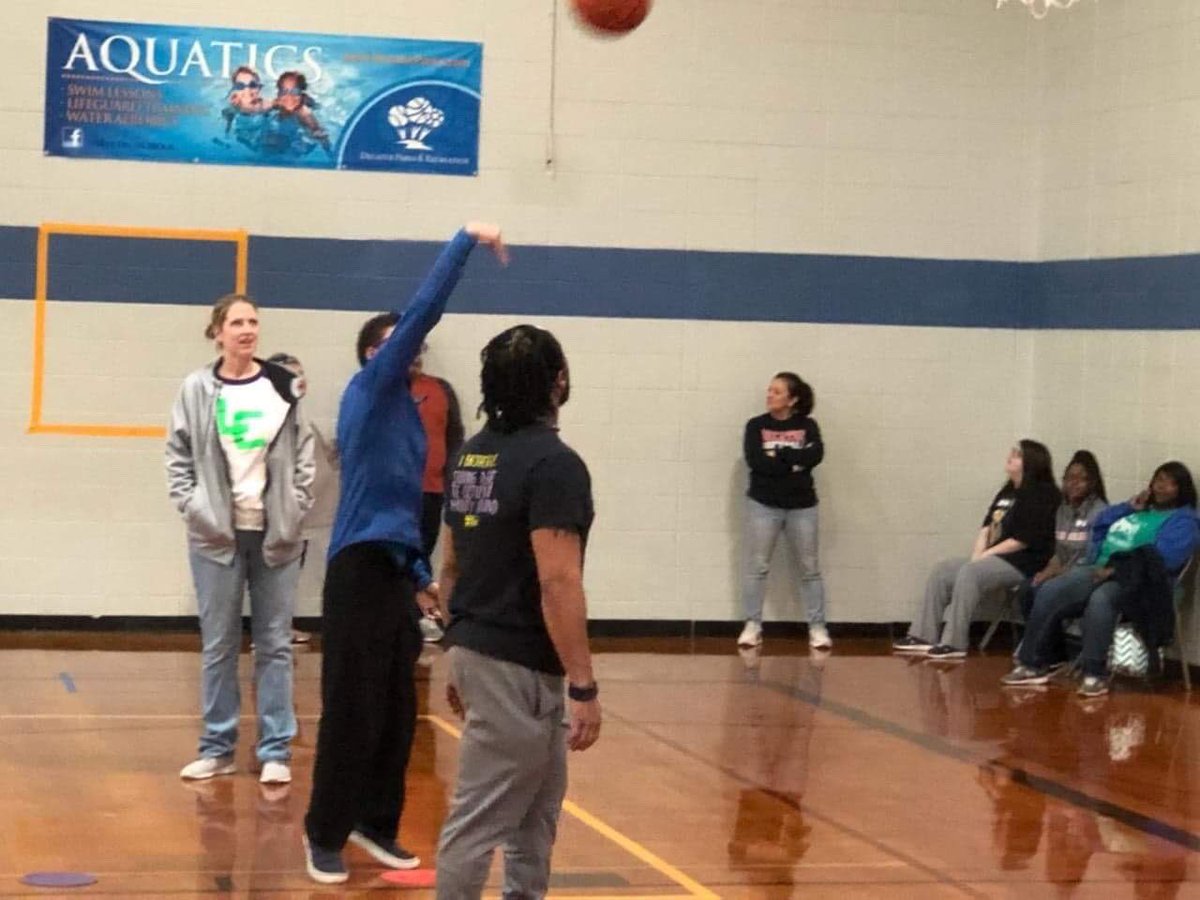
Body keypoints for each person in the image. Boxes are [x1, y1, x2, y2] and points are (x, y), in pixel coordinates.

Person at [302, 222, 508, 885]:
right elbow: (424, 312)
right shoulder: (367, 392)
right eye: (396, 344)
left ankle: (375, 823)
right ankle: (323, 834)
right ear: (372, 355)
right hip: (356, 572)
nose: (412, 350)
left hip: (393, 571)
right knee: (350, 708)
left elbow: (399, 515)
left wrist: (422, 575)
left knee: (397, 710)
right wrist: (465, 242)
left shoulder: (413, 425)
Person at [434, 324, 600, 900]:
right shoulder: (554, 464)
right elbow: (558, 581)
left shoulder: (469, 457)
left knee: (535, 817)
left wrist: (456, 647)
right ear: (559, 382)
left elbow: (450, 564)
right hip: (519, 665)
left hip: (483, 653)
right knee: (477, 823)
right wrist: (583, 684)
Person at [166, 294, 314, 785]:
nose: (247, 330)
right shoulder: (197, 389)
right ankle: (217, 747)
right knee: (219, 645)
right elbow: (179, 457)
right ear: (218, 332)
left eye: (253, 322)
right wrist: (196, 509)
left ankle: (275, 750)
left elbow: (303, 455)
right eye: (237, 322)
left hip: (275, 538)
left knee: (274, 644)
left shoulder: (282, 387)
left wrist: (294, 509)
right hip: (216, 539)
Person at [1002, 462, 1199, 696]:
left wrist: (1115, 570)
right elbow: (1100, 526)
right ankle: (1032, 663)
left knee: (1101, 599)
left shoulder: (1184, 521)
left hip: (1141, 584)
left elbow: (1160, 560)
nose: (1161, 486)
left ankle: (1094, 673)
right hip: (1099, 568)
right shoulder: (1140, 510)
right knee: (1050, 589)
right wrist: (1128, 507)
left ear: (1181, 489)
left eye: (1169, 482)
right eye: (1158, 479)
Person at [893, 440, 1060, 661]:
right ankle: (923, 636)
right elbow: (987, 525)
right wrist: (977, 554)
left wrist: (983, 558)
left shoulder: (1043, 494)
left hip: (1022, 562)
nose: (1010, 456)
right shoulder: (1007, 491)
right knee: (943, 570)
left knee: (970, 573)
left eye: (1017, 455)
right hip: (993, 557)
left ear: (1032, 462)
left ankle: (954, 643)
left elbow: (1021, 540)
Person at [737, 372, 831, 651]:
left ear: (792, 399)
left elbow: (815, 456)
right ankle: (752, 625)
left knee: (810, 568)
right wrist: (793, 464)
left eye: (777, 392)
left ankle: (817, 627)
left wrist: (780, 457)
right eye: (769, 390)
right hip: (763, 505)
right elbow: (757, 462)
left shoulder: (808, 425)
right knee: (757, 566)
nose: (769, 395)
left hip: (802, 507)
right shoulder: (756, 426)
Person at [265, 352, 340, 645]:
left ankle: (279, 626)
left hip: (308, 516)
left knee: (290, 573)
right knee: (277, 573)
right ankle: (270, 631)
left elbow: (320, 458)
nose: (299, 380)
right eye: (290, 375)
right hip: (284, 514)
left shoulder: (301, 418)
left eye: (301, 374)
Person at [410, 341, 465, 642]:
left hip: (432, 490)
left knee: (423, 554)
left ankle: (423, 614)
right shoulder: (386, 388)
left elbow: (455, 437)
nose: (416, 357)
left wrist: (452, 482)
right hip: (397, 492)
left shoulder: (441, 389)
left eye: (420, 351)